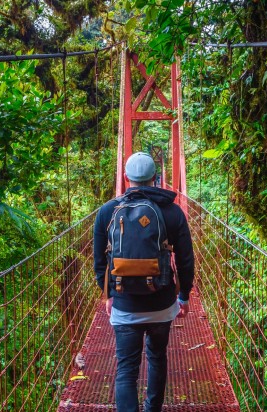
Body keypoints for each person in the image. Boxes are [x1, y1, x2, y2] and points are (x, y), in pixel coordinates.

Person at [93, 152, 195, 411]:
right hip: (162, 303)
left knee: (126, 368)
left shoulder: (107, 212)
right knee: (157, 358)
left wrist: (109, 296)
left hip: (125, 305)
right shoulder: (173, 213)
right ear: (155, 179)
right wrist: (183, 297)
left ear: (126, 178)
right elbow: (185, 260)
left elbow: (99, 263)